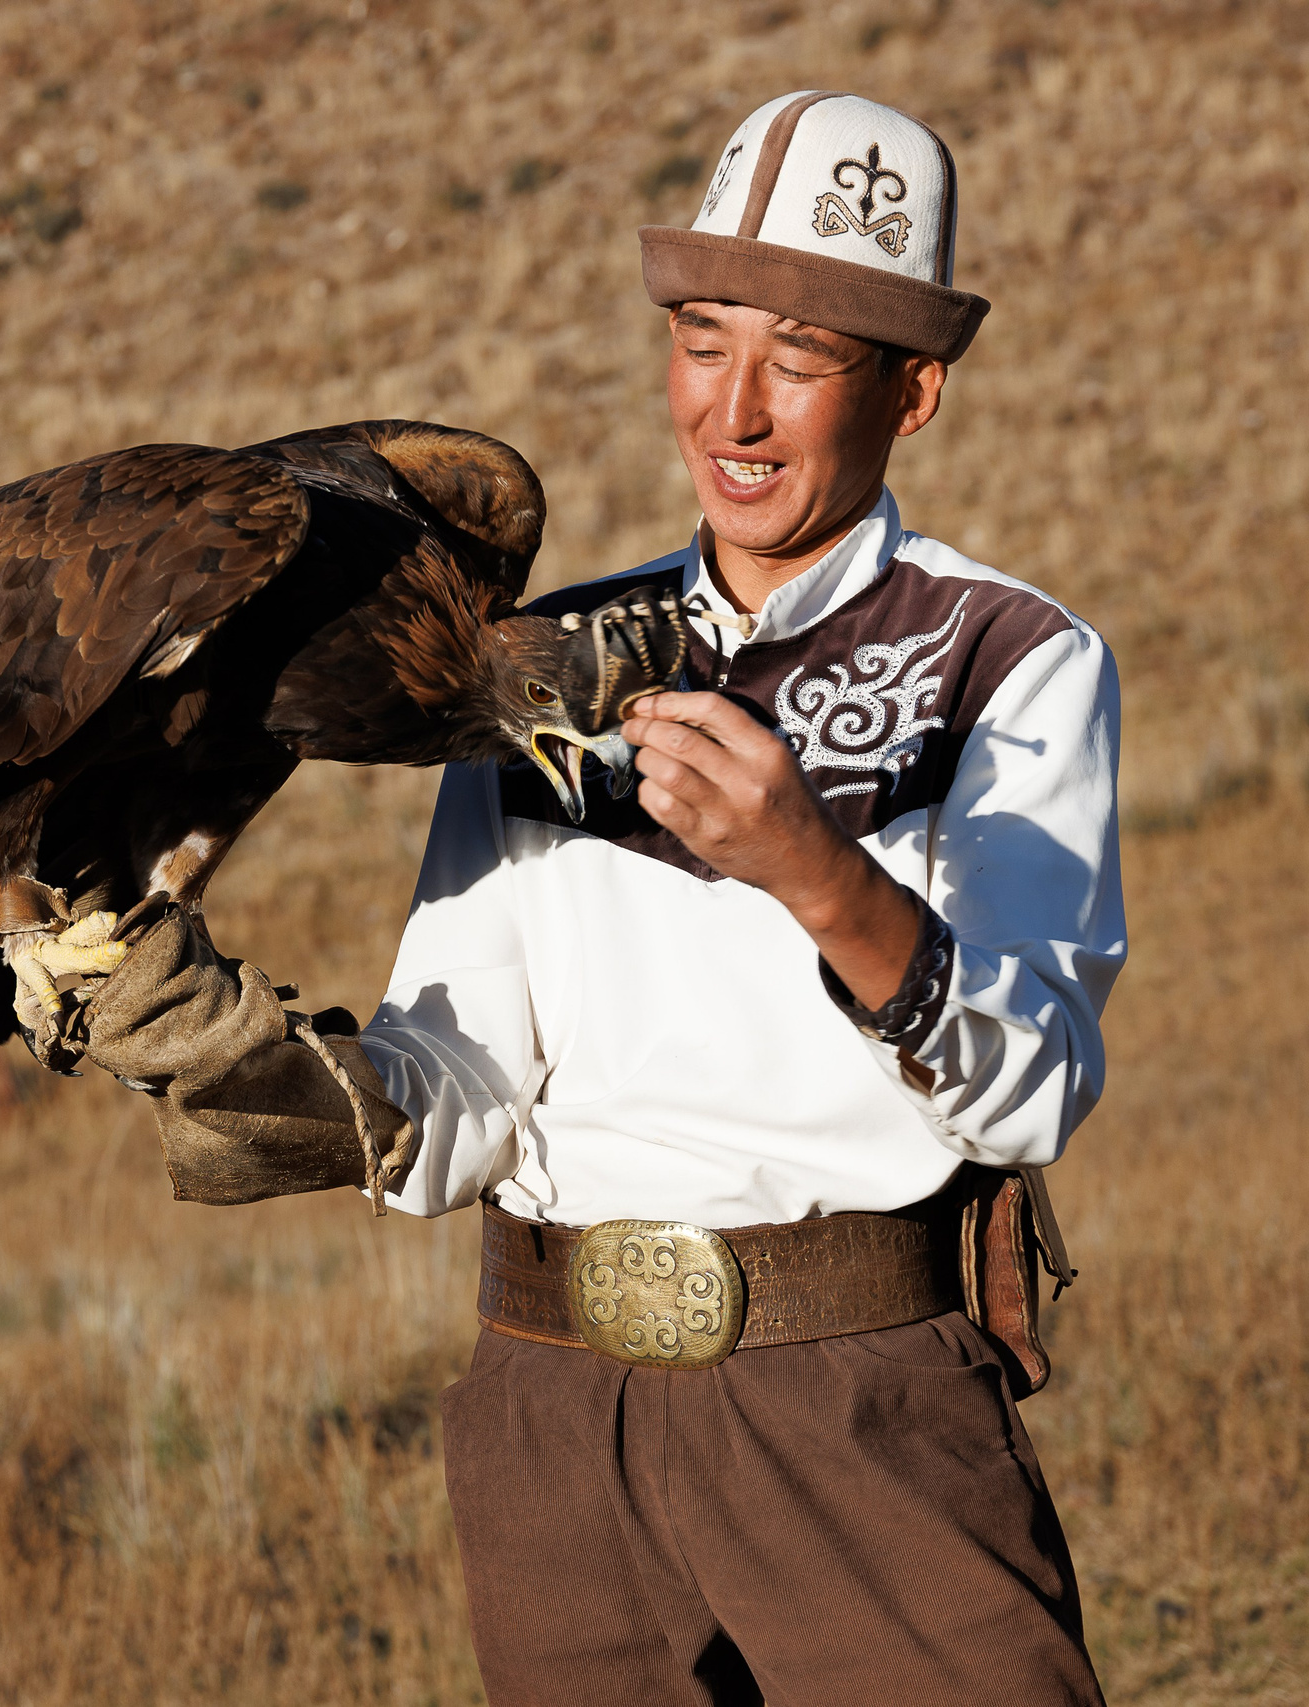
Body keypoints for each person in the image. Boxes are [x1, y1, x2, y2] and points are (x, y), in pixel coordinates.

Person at [77, 91, 1123, 1705]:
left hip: (856, 1408)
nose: (739, 410)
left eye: (804, 357)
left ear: (912, 393)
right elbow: (467, 1077)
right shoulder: (536, 662)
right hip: (554, 1423)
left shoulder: (1011, 657)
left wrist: (817, 873)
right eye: (705, 343)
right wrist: (281, 1084)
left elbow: (1036, 1089)